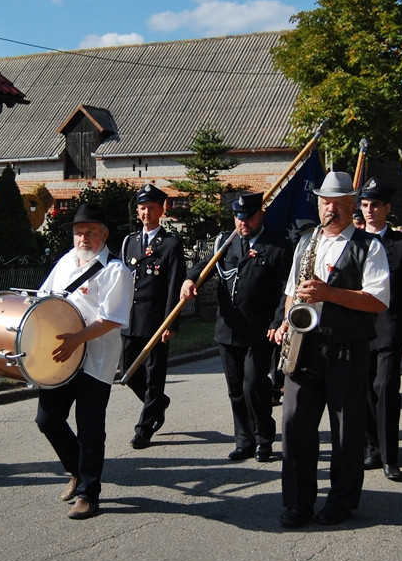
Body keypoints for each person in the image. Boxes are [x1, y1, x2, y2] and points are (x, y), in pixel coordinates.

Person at [276, 172, 390, 528]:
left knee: (345, 429)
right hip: (305, 346)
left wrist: (329, 294)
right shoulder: (306, 242)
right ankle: (298, 503)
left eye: (340, 204)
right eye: (326, 202)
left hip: (346, 349)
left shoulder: (369, 246)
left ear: (352, 206)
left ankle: (340, 501)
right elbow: (292, 291)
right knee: (295, 425)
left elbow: (377, 300)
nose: (332, 210)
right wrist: (286, 322)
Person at [36, 204, 133, 519]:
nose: (83, 237)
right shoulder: (65, 261)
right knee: (47, 419)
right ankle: (76, 470)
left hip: (95, 360)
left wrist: (78, 338)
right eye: (79, 232)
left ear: (104, 234)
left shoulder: (116, 270)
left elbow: (111, 319)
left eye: (91, 231)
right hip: (62, 356)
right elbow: (43, 297)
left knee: (90, 427)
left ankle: (89, 494)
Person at [181, 192, 293, 463]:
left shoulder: (278, 246)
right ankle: (244, 440)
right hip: (229, 328)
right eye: (238, 217)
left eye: (249, 217)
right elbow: (202, 267)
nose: (243, 223)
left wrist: (279, 321)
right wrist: (190, 279)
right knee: (235, 389)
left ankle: (264, 438)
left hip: (260, 329)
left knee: (254, 384)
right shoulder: (225, 242)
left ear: (261, 214)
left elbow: (284, 291)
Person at [359, 178, 402, 482]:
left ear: (387, 208)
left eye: (375, 205)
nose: (370, 210)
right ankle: (374, 447)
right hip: (360, 328)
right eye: (365, 205)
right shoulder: (352, 243)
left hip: (391, 328)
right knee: (364, 389)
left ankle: (390, 457)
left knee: (385, 388)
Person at [120, 184, 185, 449]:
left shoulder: (170, 243)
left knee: (154, 375)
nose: (146, 213)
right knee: (128, 372)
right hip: (130, 319)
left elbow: (174, 285)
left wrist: (171, 322)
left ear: (161, 210)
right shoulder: (130, 242)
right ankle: (159, 402)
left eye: (151, 208)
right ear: (137, 211)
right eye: (142, 208)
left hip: (156, 321)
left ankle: (144, 429)